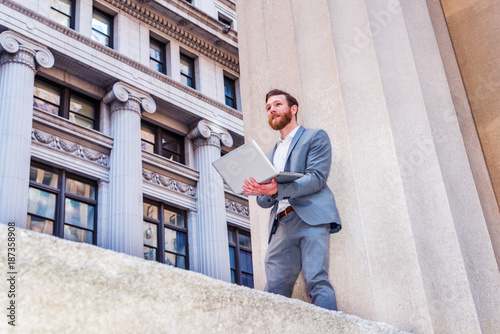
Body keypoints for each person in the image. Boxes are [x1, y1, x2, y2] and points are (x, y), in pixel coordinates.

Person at [242, 89, 341, 311]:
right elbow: (264, 200)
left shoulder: (315, 137)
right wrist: (261, 191)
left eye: (277, 105)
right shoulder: (269, 156)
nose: (272, 110)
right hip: (282, 224)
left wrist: (278, 188)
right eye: (268, 108)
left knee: (316, 279)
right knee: (274, 288)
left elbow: (316, 178)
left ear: (293, 109)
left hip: (312, 218)